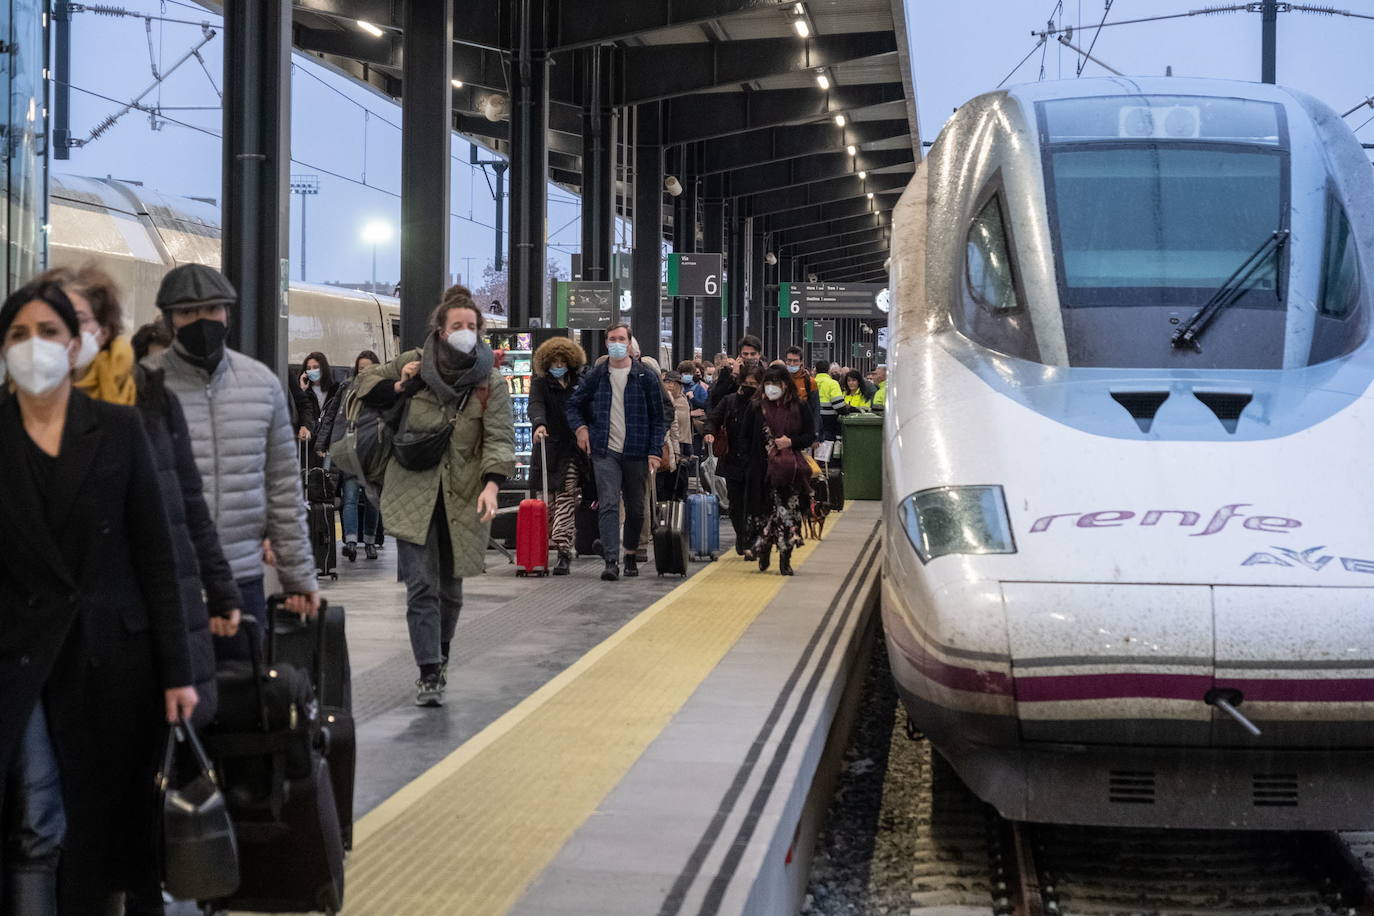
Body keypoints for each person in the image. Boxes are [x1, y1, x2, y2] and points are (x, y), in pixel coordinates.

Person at [0, 277, 197, 915]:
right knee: (37, 818)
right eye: (18, 335)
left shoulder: (117, 429)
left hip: (113, 659)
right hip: (20, 659)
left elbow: (156, 556)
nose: (35, 347)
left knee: (107, 830)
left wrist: (177, 673)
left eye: (49, 333)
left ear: (75, 341)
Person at [357, 285, 515, 706]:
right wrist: (399, 388)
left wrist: (492, 485)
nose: (464, 331)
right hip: (411, 488)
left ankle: (441, 654)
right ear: (441, 331)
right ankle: (428, 671)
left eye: (471, 326)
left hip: (463, 496)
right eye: (456, 325)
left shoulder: (490, 383)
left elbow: (499, 440)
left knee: (451, 592)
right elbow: (362, 385)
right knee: (421, 586)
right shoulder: (412, 363)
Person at [157, 263, 320, 655]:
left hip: (242, 577)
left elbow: (283, 488)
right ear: (169, 320)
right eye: (187, 312)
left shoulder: (261, 384)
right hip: (163, 581)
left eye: (212, 309)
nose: (202, 320)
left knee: (241, 700)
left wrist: (297, 576)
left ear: (227, 312)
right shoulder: (143, 385)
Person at [566, 322, 666, 582]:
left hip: (637, 451)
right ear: (606, 343)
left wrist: (655, 450)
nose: (617, 343)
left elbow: (658, 417)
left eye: (622, 338)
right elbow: (574, 406)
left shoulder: (646, 377)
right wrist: (581, 429)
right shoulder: (597, 375)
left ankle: (630, 552)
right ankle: (611, 560)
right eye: (612, 339)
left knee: (636, 509)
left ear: (630, 343)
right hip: (604, 451)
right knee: (609, 504)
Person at [745, 364, 816, 576]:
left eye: (775, 384)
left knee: (788, 516)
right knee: (764, 514)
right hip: (762, 471)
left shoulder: (800, 407)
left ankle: (786, 558)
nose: (771, 388)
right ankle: (764, 549)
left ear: (786, 385)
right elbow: (745, 436)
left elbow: (810, 435)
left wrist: (791, 442)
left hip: (789, 472)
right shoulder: (756, 407)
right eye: (767, 383)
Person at [529, 335, 589, 576]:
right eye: (553, 362)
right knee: (549, 501)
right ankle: (553, 542)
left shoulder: (580, 382)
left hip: (572, 450)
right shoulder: (540, 383)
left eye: (562, 361)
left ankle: (563, 550)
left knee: (566, 496)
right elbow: (535, 405)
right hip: (547, 448)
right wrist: (539, 424)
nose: (558, 366)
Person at [316, 349, 383, 561]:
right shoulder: (346, 387)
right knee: (350, 497)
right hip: (349, 451)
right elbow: (332, 417)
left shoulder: (383, 389)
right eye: (361, 368)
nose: (364, 371)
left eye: (368, 368)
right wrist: (323, 442)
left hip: (372, 453)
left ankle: (370, 541)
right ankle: (352, 541)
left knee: (372, 500)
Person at [705, 360, 765, 559]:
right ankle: (742, 536)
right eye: (747, 383)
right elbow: (713, 418)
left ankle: (753, 542)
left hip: (756, 462)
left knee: (756, 504)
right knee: (736, 504)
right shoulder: (729, 401)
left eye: (754, 384)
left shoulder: (764, 404)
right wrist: (709, 432)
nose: (750, 387)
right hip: (732, 460)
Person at [293, 351, 340, 468]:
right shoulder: (304, 392)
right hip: (308, 446)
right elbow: (301, 412)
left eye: (315, 367)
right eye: (308, 368)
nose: (312, 370)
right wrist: (302, 391)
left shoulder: (335, 391)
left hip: (328, 446)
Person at [660, 370, 694, 502]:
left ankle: (677, 507)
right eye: (668, 382)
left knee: (680, 481)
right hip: (671, 444)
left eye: (674, 383)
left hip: (683, 442)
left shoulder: (683, 400)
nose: (671, 385)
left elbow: (685, 425)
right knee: (669, 481)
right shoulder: (666, 400)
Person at [709, 335, 764, 408]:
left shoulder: (765, 372)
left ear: (759, 354)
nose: (749, 357)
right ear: (740, 355)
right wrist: (733, 376)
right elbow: (716, 398)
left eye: (753, 354)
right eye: (745, 354)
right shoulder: (728, 372)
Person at [813, 360, 845, 440]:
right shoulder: (833, 383)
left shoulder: (811, 382)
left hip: (813, 420)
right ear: (828, 370)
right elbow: (839, 406)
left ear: (816, 370)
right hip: (829, 422)